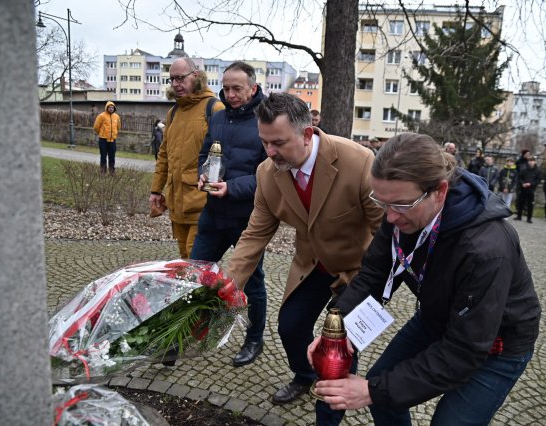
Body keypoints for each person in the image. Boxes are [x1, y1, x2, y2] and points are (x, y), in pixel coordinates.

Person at [309, 132, 541, 425]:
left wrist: (370, 391)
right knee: (384, 389)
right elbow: (374, 275)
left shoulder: (487, 249)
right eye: (382, 203)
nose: (390, 217)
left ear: (440, 192)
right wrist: (336, 329)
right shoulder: (399, 205)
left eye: (401, 206)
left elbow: (464, 350)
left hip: (496, 344)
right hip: (438, 316)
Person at [225, 93, 383, 417]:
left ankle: (329, 412)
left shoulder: (359, 162)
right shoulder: (267, 173)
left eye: (278, 143)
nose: (269, 152)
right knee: (290, 326)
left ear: (307, 133)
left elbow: (386, 233)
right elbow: (255, 234)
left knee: (338, 351)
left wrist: (375, 289)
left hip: (359, 270)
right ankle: (304, 374)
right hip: (313, 266)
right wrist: (227, 286)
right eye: (264, 142)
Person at [190, 61, 268, 368]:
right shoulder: (219, 117)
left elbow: (267, 173)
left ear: (253, 88)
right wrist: (201, 175)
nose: (231, 94)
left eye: (237, 88)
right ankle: (190, 329)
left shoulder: (266, 121)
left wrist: (231, 188)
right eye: (226, 87)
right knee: (196, 273)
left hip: (246, 219)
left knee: (252, 283)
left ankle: (254, 338)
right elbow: (204, 154)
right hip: (212, 214)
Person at [149, 57, 224, 259]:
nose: (175, 84)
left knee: (197, 263)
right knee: (185, 262)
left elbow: (223, 155)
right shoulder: (173, 113)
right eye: (172, 79)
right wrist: (156, 189)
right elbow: (164, 154)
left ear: (196, 76)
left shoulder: (214, 109)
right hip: (177, 204)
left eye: (180, 78)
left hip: (202, 205)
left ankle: (216, 291)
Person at [93, 101, 121, 173]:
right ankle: (103, 171)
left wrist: (115, 134)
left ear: (114, 108)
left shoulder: (116, 117)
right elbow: (96, 127)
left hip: (112, 140)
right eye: (110, 107)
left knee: (112, 157)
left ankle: (112, 172)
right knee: (103, 156)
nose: (111, 109)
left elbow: (118, 127)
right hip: (103, 140)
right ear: (107, 108)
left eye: (112, 107)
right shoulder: (101, 116)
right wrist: (102, 133)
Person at [514, 157, 540, 223]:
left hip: (531, 190)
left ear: (535, 162)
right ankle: (519, 216)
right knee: (520, 203)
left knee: (530, 204)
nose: (531, 162)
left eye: (532, 161)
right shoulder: (524, 170)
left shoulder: (538, 171)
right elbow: (520, 178)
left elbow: (537, 180)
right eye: (530, 161)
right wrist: (523, 183)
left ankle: (529, 218)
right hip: (523, 189)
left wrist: (531, 184)